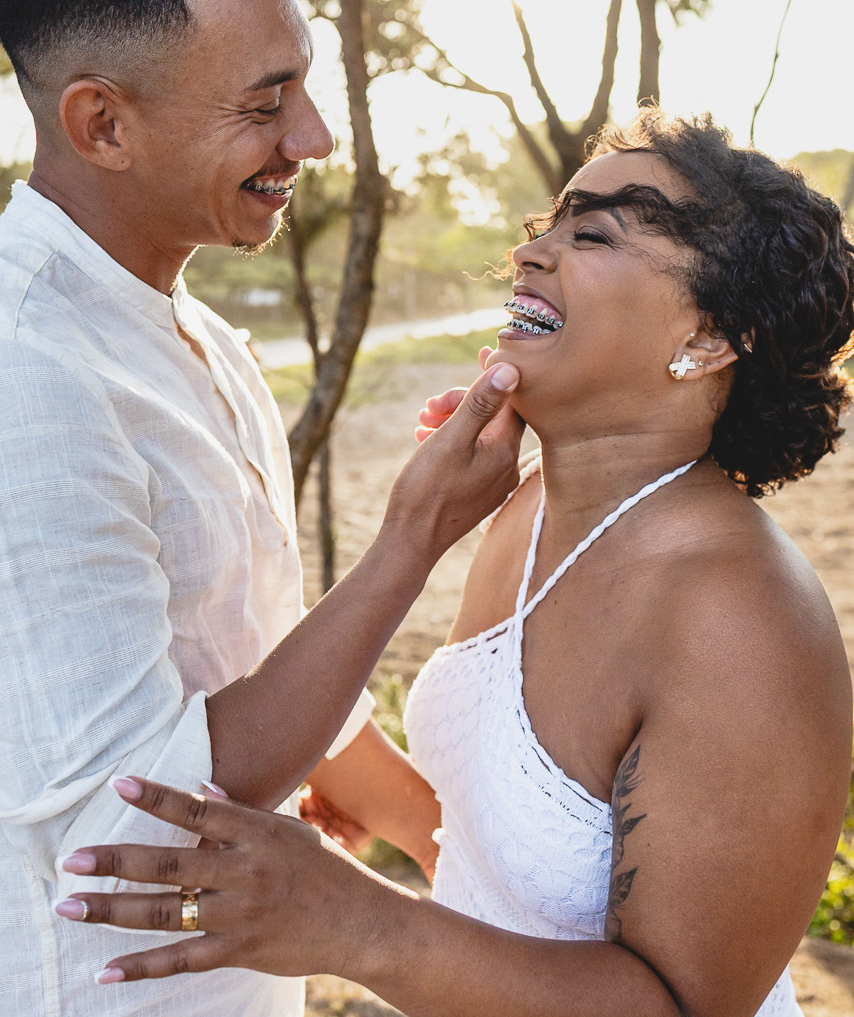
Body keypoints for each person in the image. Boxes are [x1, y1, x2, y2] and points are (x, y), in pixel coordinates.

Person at [59, 111, 854, 1017]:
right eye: (547, 224)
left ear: (710, 339)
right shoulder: (526, 512)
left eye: (593, 233)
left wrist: (355, 922)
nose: (534, 252)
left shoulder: (740, 616)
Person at [0, 0, 525, 1016]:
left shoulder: (205, 339)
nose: (315, 135)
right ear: (103, 122)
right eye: (264, 101)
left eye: (306, 86)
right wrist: (411, 539)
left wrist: (463, 864)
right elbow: (130, 814)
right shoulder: (24, 372)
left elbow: (259, 669)